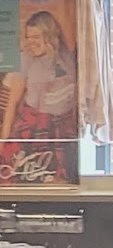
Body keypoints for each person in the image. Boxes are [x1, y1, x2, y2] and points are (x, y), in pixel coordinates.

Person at [1, 8, 79, 146]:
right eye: (28, 37)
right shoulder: (25, 59)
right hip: (33, 126)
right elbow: (12, 104)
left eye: (36, 37)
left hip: (64, 127)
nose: (31, 42)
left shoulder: (68, 57)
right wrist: (2, 142)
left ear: (50, 36)